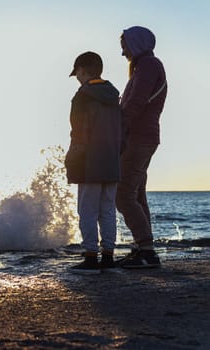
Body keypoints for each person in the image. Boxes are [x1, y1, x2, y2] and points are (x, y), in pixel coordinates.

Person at [65, 51, 122, 274]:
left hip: (89, 161)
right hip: (112, 161)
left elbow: (78, 132)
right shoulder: (114, 96)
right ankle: (108, 256)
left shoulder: (82, 97)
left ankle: (90, 257)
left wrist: (72, 159)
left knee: (87, 210)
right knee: (107, 210)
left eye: (77, 72)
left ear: (83, 70)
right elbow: (122, 131)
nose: (77, 77)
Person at [116, 26, 167, 268]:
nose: (122, 51)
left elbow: (137, 101)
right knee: (135, 194)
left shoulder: (148, 66)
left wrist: (121, 130)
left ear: (136, 43)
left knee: (123, 195)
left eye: (124, 44)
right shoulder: (145, 66)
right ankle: (143, 249)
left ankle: (146, 250)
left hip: (138, 137)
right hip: (144, 136)